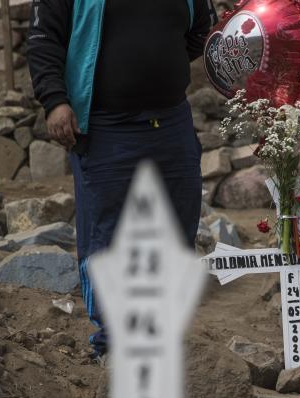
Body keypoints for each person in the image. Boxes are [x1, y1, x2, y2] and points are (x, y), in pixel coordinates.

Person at [27, 0, 215, 359]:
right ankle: (112, 346)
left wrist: (159, 65)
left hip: (171, 121)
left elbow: (202, 31)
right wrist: (54, 100)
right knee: (107, 235)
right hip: (105, 126)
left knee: (178, 227)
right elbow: (43, 40)